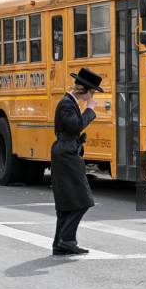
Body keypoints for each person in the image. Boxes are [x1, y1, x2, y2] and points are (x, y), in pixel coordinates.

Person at [51, 67, 103, 256]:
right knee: (82, 200)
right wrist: (89, 109)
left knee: (67, 202)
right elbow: (75, 126)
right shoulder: (66, 104)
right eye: (92, 93)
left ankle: (60, 243)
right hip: (66, 154)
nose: (93, 96)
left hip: (66, 152)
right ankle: (67, 239)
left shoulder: (68, 103)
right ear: (86, 91)